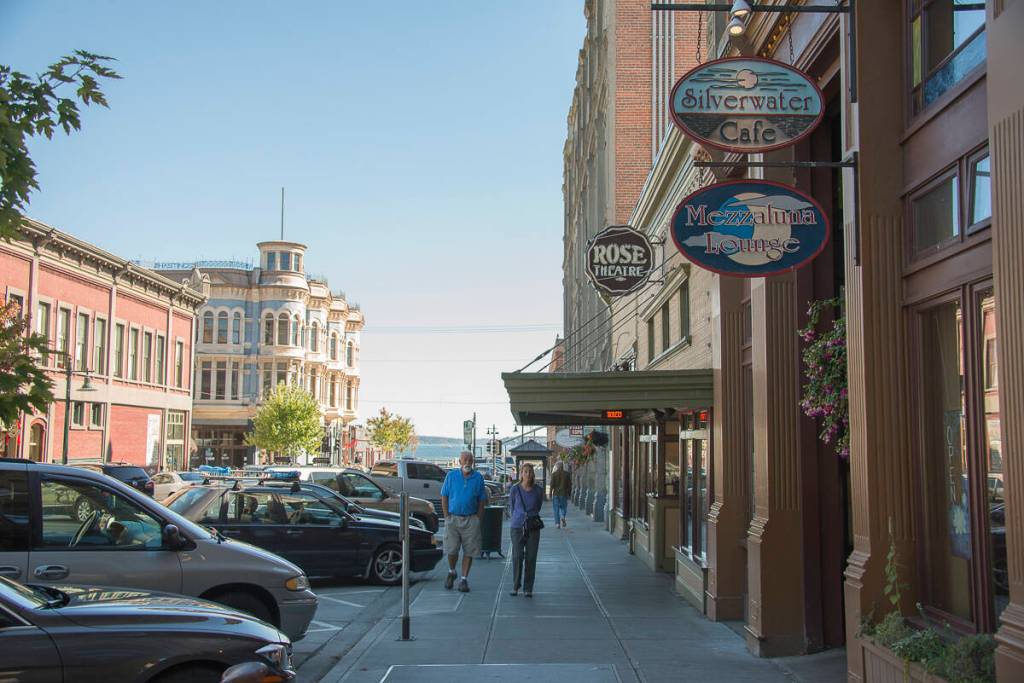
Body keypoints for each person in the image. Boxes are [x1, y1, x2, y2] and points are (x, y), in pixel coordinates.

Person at [440, 450, 489, 593]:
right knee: (452, 549)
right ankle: (451, 571)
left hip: (471, 519)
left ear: (473, 462)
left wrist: (478, 519)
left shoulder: (478, 478)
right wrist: (446, 516)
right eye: (465, 460)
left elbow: (481, 500)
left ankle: (463, 579)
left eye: (470, 460)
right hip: (453, 519)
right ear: (460, 462)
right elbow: (444, 496)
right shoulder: (451, 476)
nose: (467, 462)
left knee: (469, 550)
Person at [508, 463, 544, 597]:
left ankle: (528, 588)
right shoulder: (515, 489)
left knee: (531, 557)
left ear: (533, 474)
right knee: (517, 556)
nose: (527, 474)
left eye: (530, 472)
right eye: (525, 472)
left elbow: (538, 506)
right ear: (521, 474)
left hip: (533, 527)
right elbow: (511, 506)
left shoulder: (538, 490)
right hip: (517, 527)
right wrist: (518, 517)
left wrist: (530, 517)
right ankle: (515, 585)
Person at [550, 460, 572, 528]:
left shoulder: (554, 474)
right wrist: (569, 493)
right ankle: (562, 516)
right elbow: (569, 485)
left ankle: (557, 524)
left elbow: (552, 485)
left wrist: (550, 493)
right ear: (562, 466)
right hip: (564, 494)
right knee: (564, 507)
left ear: (557, 466)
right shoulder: (567, 474)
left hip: (556, 494)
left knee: (556, 509)